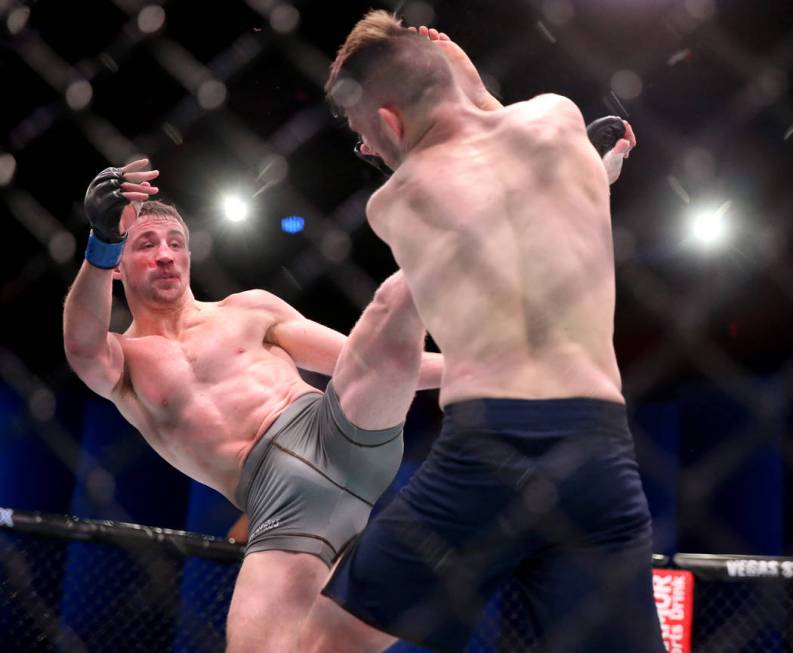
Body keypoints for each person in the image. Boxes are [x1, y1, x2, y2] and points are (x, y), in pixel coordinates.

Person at [300, 12, 663, 653]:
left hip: (486, 455)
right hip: (601, 455)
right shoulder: (556, 122)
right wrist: (455, 72)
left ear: (387, 121)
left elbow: (462, 178)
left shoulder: (396, 200)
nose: (368, 151)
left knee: (323, 641)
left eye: (364, 134)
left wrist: (439, 90)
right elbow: (501, 156)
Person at [62, 164, 443, 653]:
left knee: (389, 311)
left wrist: (472, 369)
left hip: (336, 429)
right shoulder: (124, 360)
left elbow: (355, 359)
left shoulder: (249, 309)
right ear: (118, 265)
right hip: (282, 505)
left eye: (176, 243)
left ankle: (458, 218)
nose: (165, 256)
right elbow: (81, 348)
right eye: (146, 244)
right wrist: (100, 241)